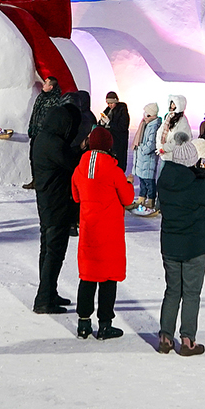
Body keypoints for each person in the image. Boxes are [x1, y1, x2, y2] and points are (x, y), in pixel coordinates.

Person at [156, 129, 205, 356]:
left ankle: (166, 337)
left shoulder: (164, 182)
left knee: (172, 291)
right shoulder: (195, 186)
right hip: (195, 245)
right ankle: (188, 341)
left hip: (170, 244)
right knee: (192, 293)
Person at [71, 126, 134, 340]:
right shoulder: (112, 168)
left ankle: (83, 324)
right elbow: (127, 198)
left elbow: (76, 195)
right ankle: (105, 324)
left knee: (87, 276)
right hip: (109, 231)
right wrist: (129, 184)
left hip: (89, 228)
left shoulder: (81, 166)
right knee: (108, 278)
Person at [30, 89, 79, 314]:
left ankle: (48, 291)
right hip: (56, 203)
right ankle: (44, 299)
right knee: (54, 251)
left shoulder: (42, 138)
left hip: (46, 201)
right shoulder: (54, 144)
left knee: (46, 249)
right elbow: (72, 164)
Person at [23, 75, 63, 190]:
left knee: (44, 159)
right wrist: (31, 127)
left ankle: (43, 181)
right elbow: (35, 114)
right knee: (33, 157)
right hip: (36, 133)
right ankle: (35, 180)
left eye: (46, 83)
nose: (43, 84)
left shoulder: (55, 100)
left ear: (51, 87)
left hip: (45, 135)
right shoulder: (41, 97)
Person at [154, 94, 192, 205]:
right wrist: (159, 146)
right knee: (162, 181)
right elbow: (160, 133)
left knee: (171, 182)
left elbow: (179, 139)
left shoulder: (182, 122)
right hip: (165, 155)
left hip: (175, 156)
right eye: (171, 103)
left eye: (174, 103)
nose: (172, 106)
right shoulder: (168, 117)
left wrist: (165, 148)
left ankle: (167, 204)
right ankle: (160, 203)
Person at [131, 103, 161, 214]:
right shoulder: (145, 124)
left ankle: (151, 200)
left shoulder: (154, 126)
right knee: (142, 180)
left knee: (149, 181)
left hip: (148, 159)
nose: (144, 115)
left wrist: (142, 148)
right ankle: (141, 198)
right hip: (142, 158)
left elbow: (151, 144)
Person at [100, 91, 130, 172]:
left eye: (112, 103)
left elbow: (122, 127)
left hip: (118, 141)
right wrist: (101, 123)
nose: (110, 105)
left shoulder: (122, 111)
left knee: (118, 164)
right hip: (109, 142)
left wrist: (109, 123)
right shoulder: (107, 110)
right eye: (108, 103)